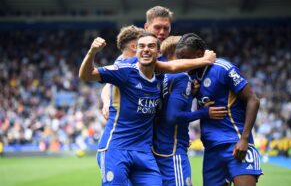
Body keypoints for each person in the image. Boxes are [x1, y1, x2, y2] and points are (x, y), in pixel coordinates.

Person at [79, 32, 216, 185]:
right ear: (136, 51)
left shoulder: (159, 79)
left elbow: (172, 67)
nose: (145, 49)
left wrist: (192, 90)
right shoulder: (125, 71)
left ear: (158, 53)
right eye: (141, 46)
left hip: (144, 153)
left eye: (151, 46)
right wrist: (92, 52)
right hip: (116, 148)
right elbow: (87, 75)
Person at [176, 33, 263, 186]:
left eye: (184, 57)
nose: (181, 62)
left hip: (235, 144)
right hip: (211, 149)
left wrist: (244, 139)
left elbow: (253, 100)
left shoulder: (223, 68)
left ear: (199, 55)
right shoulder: (191, 78)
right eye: (179, 58)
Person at [153, 35, 228, 186]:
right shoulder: (181, 77)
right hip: (173, 151)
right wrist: (204, 113)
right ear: (178, 54)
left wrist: (191, 96)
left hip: (160, 146)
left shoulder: (163, 77)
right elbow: (173, 116)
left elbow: (169, 106)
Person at [101, 6, 173, 119]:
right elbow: (109, 84)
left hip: (160, 123)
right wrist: (106, 102)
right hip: (137, 123)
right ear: (146, 27)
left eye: (166, 28)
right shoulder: (132, 56)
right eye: (157, 27)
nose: (162, 32)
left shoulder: (170, 54)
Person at [101, 25, 144, 120]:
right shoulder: (130, 63)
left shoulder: (119, 60)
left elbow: (107, 86)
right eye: (142, 45)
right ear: (134, 47)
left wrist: (106, 102)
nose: (146, 49)